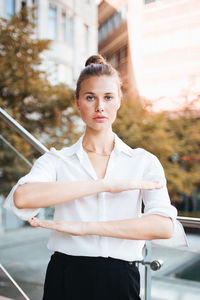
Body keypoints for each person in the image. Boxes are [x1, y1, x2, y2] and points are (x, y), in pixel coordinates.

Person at [4, 55, 187, 300]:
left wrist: (86, 228)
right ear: (77, 102)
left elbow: (164, 226)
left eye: (108, 97)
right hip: (65, 277)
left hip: (121, 280)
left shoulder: (143, 161)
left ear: (119, 101)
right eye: (90, 97)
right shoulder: (58, 160)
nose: (100, 107)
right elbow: (22, 198)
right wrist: (105, 185)